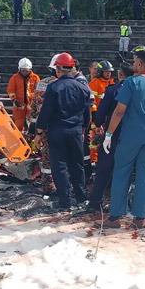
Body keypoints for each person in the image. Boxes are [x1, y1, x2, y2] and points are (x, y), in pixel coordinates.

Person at [95, 46, 145, 229]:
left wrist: (108, 135)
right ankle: (140, 218)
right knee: (143, 175)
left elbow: (119, 111)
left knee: (121, 173)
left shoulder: (131, 83)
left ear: (141, 63)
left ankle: (114, 218)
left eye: (134, 61)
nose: (133, 63)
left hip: (131, 136)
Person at [35, 53, 91, 211]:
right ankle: (81, 197)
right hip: (76, 131)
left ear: (58, 69)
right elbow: (87, 112)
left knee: (59, 166)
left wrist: (39, 131)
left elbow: (46, 112)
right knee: (77, 165)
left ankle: (65, 202)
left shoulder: (53, 87)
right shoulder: (82, 87)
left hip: (57, 131)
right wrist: (84, 129)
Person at [88, 62, 134, 211]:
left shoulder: (112, 91)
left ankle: (96, 202)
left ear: (119, 75)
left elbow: (100, 114)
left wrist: (99, 124)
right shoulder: (139, 90)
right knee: (127, 171)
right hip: (133, 136)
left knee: (104, 169)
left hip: (113, 135)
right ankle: (123, 204)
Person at [29, 54, 60, 194]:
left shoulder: (42, 83)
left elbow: (35, 106)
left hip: (44, 127)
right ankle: (64, 184)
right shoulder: (69, 83)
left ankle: (48, 186)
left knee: (47, 157)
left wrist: (35, 128)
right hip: (64, 126)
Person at [89, 60, 115, 165]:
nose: (108, 73)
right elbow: (92, 102)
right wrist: (96, 118)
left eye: (110, 71)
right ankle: (93, 162)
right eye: (106, 71)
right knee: (95, 140)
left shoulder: (112, 83)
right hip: (97, 117)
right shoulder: (95, 84)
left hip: (108, 117)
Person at [73, 59, 94, 180]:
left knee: (83, 148)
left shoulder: (80, 80)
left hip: (81, 121)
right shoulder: (76, 80)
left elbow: (89, 101)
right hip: (81, 120)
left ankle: (86, 174)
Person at [7, 57, 40, 131]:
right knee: (18, 125)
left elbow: (38, 91)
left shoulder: (35, 78)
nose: (25, 72)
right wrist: (14, 100)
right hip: (19, 105)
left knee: (33, 124)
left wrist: (35, 101)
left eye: (27, 71)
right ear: (19, 69)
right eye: (23, 71)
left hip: (31, 105)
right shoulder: (14, 78)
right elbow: (11, 90)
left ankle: (31, 139)